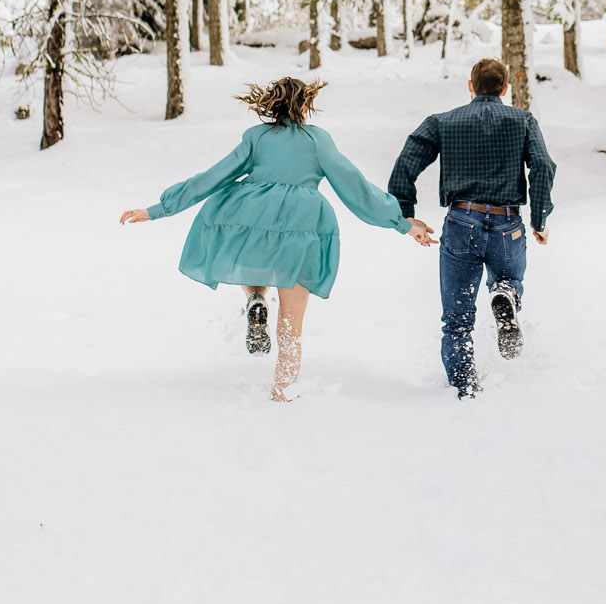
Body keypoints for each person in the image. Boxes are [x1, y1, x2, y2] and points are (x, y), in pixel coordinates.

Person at [119, 77, 411, 401]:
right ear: (305, 105)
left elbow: (215, 176)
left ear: (271, 104)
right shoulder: (318, 140)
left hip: (250, 216)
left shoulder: (256, 137)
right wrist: (401, 223)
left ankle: (255, 297)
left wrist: (159, 209)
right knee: (291, 320)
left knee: (254, 267)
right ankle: (283, 389)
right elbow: (355, 187)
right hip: (303, 224)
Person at [388, 57, 556, 398]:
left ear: (470, 86)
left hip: (462, 220)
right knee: (510, 279)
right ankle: (505, 294)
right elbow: (542, 165)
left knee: (457, 317)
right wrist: (540, 217)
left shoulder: (443, 122)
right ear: (505, 88)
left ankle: (464, 388)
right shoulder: (522, 120)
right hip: (508, 222)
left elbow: (406, 162)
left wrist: (406, 213)